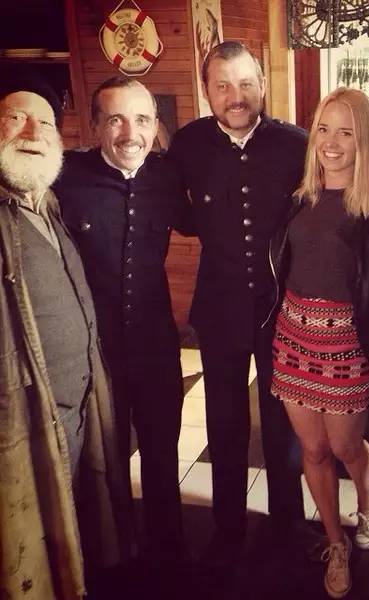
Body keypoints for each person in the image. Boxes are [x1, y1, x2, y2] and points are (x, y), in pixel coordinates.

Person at [167, 41, 306, 563]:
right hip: (219, 307)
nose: (236, 95)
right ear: (207, 91)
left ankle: (288, 527)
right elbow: (177, 211)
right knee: (224, 422)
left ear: (262, 85)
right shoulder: (188, 144)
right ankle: (227, 529)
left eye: (246, 83)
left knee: (282, 422)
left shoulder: (296, 144)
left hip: (281, 307)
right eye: (222, 85)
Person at [0, 70, 132, 599]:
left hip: (73, 407)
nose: (32, 131)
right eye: (15, 118)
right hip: (21, 418)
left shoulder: (49, 205)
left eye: (45, 122)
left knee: (68, 519)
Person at [53, 76, 189, 565]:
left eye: (142, 119)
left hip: (157, 346)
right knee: (103, 460)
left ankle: (168, 551)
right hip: (95, 353)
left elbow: (206, 219)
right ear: (95, 127)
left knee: (161, 453)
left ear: (155, 126)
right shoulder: (64, 178)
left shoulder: (168, 177)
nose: (131, 133)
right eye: (116, 119)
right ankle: (112, 553)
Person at [270, 87, 369, 599]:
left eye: (346, 132)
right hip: (294, 335)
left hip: (345, 343)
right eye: (323, 129)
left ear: (365, 141)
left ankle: (368, 501)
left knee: (344, 447)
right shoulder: (300, 197)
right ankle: (336, 542)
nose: (332, 143)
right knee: (313, 450)